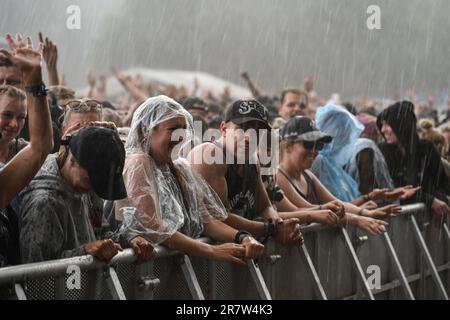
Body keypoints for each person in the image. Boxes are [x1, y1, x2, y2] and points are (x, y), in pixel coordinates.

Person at [116, 96, 264, 265]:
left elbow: (207, 220)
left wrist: (243, 237)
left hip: (176, 272)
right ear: (147, 130)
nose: (180, 136)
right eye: (173, 129)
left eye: (184, 129)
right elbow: (155, 228)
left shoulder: (179, 168)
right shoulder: (138, 163)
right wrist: (212, 250)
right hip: (143, 277)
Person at [20, 125, 153, 263]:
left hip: (85, 282)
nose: (93, 189)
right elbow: (37, 270)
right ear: (72, 160)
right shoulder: (44, 203)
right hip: (70, 283)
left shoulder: (85, 186)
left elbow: (100, 232)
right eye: (91, 181)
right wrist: (85, 252)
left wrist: (129, 238)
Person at [188, 100, 304, 245]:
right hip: (198, 262)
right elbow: (216, 218)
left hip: (231, 257)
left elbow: (265, 207)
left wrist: (279, 225)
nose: (249, 138)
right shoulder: (210, 155)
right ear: (223, 129)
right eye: (242, 128)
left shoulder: (252, 161)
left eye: (256, 132)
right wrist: (269, 229)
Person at [276, 116, 400, 235]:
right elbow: (306, 210)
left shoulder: (307, 175)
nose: (314, 151)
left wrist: (366, 213)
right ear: (288, 146)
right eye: (308, 144)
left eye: (318, 145)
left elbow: (336, 203)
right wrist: (357, 219)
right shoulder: (278, 177)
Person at [377, 101, 450, 223]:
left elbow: (442, 184)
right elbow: (395, 191)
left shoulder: (426, 148)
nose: (383, 130)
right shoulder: (383, 152)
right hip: (398, 225)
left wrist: (440, 201)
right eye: (382, 125)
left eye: (387, 124)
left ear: (401, 125)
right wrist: (429, 200)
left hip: (428, 228)